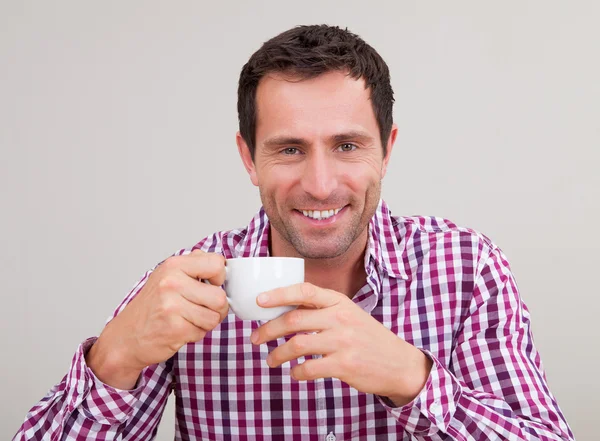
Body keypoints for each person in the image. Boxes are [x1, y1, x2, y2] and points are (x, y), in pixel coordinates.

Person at [14, 24, 574, 441]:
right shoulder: (186, 283)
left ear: (388, 150)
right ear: (248, 158)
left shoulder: (466, 268)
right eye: (289, 150)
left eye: (348, 146)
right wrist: (113, 359)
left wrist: (415, 379)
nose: (321, 184)